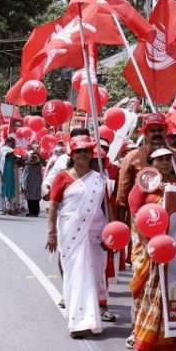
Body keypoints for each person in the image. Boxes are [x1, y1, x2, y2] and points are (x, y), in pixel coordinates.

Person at [127, 147, 176, 351]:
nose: (164, 163)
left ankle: (165, 343)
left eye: (168, 159)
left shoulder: (174, 188)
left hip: (167, 249)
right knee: (146, 293)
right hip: (147, 250)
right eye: (159, 160)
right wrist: (149, 245)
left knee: (164, 297)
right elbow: (136, 217)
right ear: (150, 164)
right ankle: (140, 336)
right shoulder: (141, 186)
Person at [48, 138, 111, 339]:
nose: (82, 154)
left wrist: (109, 234)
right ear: (71, 155)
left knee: (92, 274)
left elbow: (106, 208)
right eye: (78, 151)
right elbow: (54, 206)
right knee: (75, 273)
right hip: (70, 233)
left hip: (95, 233)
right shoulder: (62, 177)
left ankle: (91, 319)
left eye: (86, 151)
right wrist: (51, 233)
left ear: (92, 154)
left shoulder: (99, 179)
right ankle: (77, 322)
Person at [115, 113, 176, 216]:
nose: (157, 133)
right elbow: (122, 197)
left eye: (160, 130)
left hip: (174, 218)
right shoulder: (132, 157)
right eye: (152, 131)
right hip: (142, 219)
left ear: (166, 132)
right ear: (145, 133)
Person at [21, 149, 45, 217]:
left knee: (35, 197)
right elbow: (25, 162)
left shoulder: (37, 159)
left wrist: (30, 158)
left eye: (33, 154)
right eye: (31, 154)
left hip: (36, 179)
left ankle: (35, 212)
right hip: (29, 179)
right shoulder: (27, 160)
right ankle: (31, 211)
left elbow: (33, 161)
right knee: (29, 196)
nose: (32, 156)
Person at [1, 137, 18, 214]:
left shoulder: (12, 150)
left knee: (11, 188)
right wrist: (14, 151)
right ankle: (5, 207)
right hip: (5, 170)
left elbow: (17, 160)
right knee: (6, 187)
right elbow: (6, 155)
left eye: (14, 143)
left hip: (12, 170)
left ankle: (10, 206)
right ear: (8, 142)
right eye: (13, 142)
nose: (14, 144)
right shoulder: (4, 149)